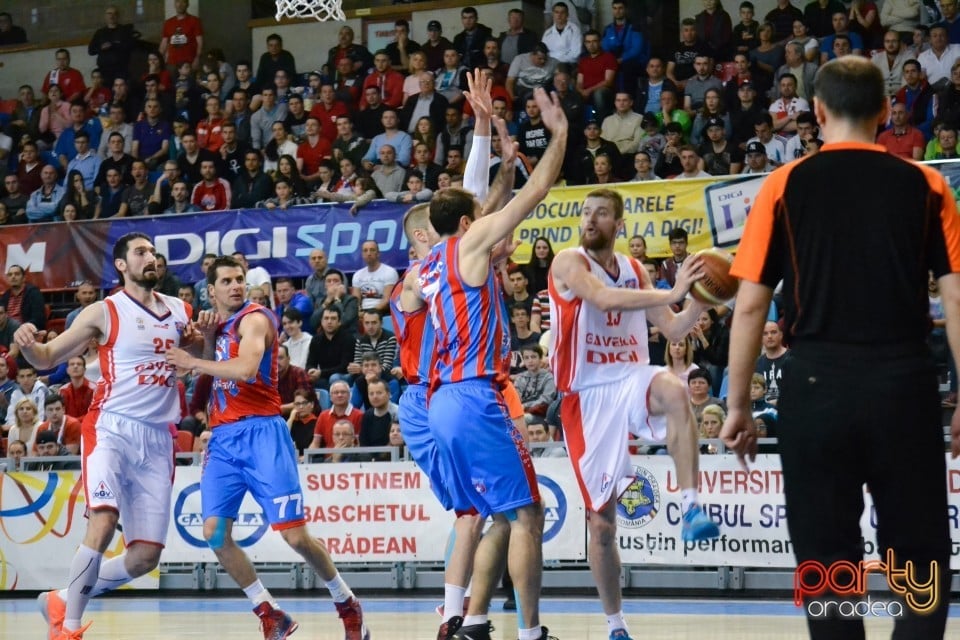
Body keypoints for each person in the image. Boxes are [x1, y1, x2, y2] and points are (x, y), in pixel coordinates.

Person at [723, 56, 958, 639]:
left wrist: (738, 407)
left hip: (814, 387)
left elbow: (751, 305)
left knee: (827, 558)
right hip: (904, 385)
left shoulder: (782, 184)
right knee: (920, 550)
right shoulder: (928, 184)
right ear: (884, 111)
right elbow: (956, 300)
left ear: (818, 112)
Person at [416, 74, 568, 639]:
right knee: (528, 514)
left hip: (441, 405)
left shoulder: (429, 263)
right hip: (478, 395)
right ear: (467, 224)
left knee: (490, 518)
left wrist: (483, 130)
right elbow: (532, 195)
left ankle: (470, 619)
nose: (488, 215)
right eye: (478, 214)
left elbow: (476, 195)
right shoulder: (471, 241)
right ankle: (530, 633)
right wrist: (558, 136)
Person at [164, 256, 370, 640]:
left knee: (295, 537)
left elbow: (243, 370)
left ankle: (346, 602)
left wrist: (192, 360)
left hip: (263, 434)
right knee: (214, 532)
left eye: (239, 279)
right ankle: (269, 611)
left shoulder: (255, 318)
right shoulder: (217, 325)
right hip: (224, 440)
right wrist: (206, 344)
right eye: (226, 281)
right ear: (211, 291)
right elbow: (205, 392)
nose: (236, 285)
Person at [547, 188, 719, 640]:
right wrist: (674, 289)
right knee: (601, 523)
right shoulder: (568, 262)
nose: (590, 219)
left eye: (601, 213)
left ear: (618, 225)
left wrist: (702, 294)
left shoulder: (635, 269)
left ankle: (691, 507)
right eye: (586, 212)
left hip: (630, 378)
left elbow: (677, 326)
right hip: (585, 396)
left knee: (675, 391)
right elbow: (602, 300)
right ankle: (615, 624)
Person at [16, 232, 194, 640]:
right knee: (103, 519)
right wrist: (25, 344)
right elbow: (46, 359)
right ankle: (69, 629)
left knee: (145, 557)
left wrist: (198, 347)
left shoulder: (182, 310)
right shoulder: (103, 311)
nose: (151, 257)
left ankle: (62, 598)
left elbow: (190, 361)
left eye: (153, 251)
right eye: (140, 252)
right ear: (121, 265)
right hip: (111, 427)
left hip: (158, 438)